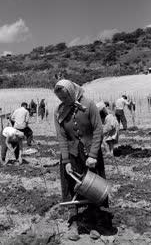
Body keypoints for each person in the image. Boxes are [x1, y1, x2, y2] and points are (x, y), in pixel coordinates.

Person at [54, 79, 107, 241]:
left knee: (93, 187)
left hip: (91, 153)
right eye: (60, 98)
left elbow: (98, 129)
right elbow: (62, 137)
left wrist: (92, 155)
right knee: (72, 187)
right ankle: (75, 224)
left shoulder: (89, 105)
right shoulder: (60, 111)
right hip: (72, 155)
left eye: (65, 97)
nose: (63, 100)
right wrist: (66, 161)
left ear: (72, 91)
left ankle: (94, 222)